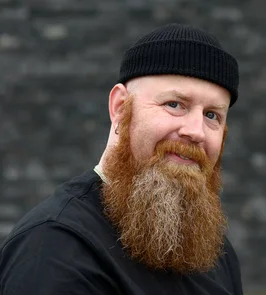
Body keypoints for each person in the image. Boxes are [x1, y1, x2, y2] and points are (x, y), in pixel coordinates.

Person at [0, 23, 243, 295]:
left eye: (212, 115)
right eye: (174, 105)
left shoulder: (215, 253)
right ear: (120, 108)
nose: (196, 131)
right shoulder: (54, 248)